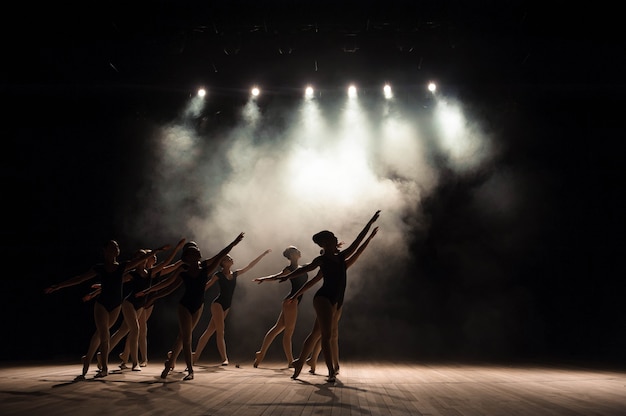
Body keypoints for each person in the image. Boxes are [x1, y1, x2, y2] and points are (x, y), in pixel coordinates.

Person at [45, 240, 171, 380]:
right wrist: (59, 286)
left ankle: (88, 358)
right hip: (102, 305)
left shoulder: (123, 266)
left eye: (116, 247)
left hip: (116, 305)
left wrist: (157, 250)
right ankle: (104, 367)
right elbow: (80, 278)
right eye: (111, 247)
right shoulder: (100, 267)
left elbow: (141, 260)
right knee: (105, 334)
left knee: (100, 333)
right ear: (104, 251)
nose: (115, 249)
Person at [280, 210, 380, 382]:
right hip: (323, 298)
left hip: (336, 301)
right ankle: (331, 371)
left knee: (317, 334)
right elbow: (306, 271)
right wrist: (286, 277)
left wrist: (369, 226)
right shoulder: (322, 261)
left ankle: (299, 363)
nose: (336, 238)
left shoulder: (341, 258)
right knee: (326, 336)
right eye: (332, 236)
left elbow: (357, 244)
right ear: (326, 243)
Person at [139, 233, 244, 380]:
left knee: (181, 337)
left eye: (197, 250)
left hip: (198, 306)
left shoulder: (206, 267)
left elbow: (220, 255)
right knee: (187, 338)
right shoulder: (183, 270)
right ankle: (190, 370)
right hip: (184, 306)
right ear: (187, 256)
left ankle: (169, 365)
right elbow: (169, 285)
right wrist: (152, 293)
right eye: (192, 251)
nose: (196, 252)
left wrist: (234, 243)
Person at [299, 226, 378, 375]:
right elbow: (313, 279)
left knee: (328, 334)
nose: (336, 242)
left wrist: (369, 238)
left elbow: (357, 251)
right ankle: (316, 364)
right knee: (323, 334)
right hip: (325, 299)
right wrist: (296, 294)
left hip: (336, 301)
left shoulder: (341, 262)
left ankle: (323, 363)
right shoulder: (327, 264)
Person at [108, 238, 187, 370]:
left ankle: (116, 356)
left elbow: (168, 264)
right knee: (135, 329)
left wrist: (178, 251)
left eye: (149, 256)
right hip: (131, 303)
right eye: (149, 256)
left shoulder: (152, 271)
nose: (151, 258)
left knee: (129, 330)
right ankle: (133, 361)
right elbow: (117, 281)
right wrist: (101, 287)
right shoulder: (134, 273)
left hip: (144, 303)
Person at [192, 248, 272, 366]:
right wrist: (194, 292)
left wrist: (263, 254)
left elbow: (250, 266)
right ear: (222, 263)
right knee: (220, 331)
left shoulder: (235, 274)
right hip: (217, 304)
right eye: (227, 258)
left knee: (209, 331)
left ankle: (195, 356)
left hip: (226, 306)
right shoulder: (218, 275)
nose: (230, 259)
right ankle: (224, 358)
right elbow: (207, 285)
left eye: (230, 258)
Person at [251, 246, 308, 368]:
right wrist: (263, 279)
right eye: (296, 251)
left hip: (292, 301)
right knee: (288, 333)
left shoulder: (303, 267)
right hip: (291, 301)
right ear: (292, 255)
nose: (299, 252)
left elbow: (319, 260)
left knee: (277, 328)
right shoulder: (290, 269)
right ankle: (290, 361)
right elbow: (277, 276)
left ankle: (261, 353)